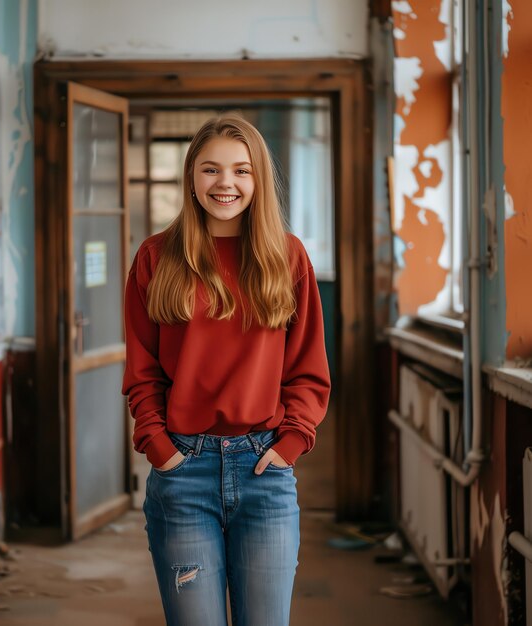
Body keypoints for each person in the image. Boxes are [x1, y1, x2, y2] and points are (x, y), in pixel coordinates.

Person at [121, 114, 331, 626]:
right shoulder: (155, 258)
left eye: (241, 171)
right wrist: (161, 448)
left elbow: (307, 366)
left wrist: (291, 443)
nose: (226, 184)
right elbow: (142, 368)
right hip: (184, 471)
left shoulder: (287, 256)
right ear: (191, 177)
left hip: (265, 472)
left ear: (258, 178)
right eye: (211, 170)